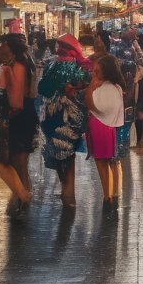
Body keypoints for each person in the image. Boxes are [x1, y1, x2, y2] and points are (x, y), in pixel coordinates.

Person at [36, 34, 92, 208]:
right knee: (69, 154)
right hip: (72, 116)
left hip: (52, 115)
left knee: (59, 153)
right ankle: (69, 193)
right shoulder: (80, 69)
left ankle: (67, 191)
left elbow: (43, 89)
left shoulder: (50, 66)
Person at [0, 33, 38, 216]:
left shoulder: (16, 66)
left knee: (6, 158)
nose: (0, 48)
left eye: (4, 45)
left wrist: (7, 115)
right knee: (18, 161)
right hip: (24, 114)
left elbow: (16, 101)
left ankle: (22, 195)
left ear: (12, 48)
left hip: (18, 115)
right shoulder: (25, 61)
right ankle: (22, 196)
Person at [85, 53, 126, 216]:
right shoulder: (116, 86)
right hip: (108, 127)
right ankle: (114, 194)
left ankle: (107, 197)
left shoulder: (105, 88)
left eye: (97, 71)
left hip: (100, 125)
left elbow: (93, 106)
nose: (94, 74)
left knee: (102, 162)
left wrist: (91, 88)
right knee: (111, 161)